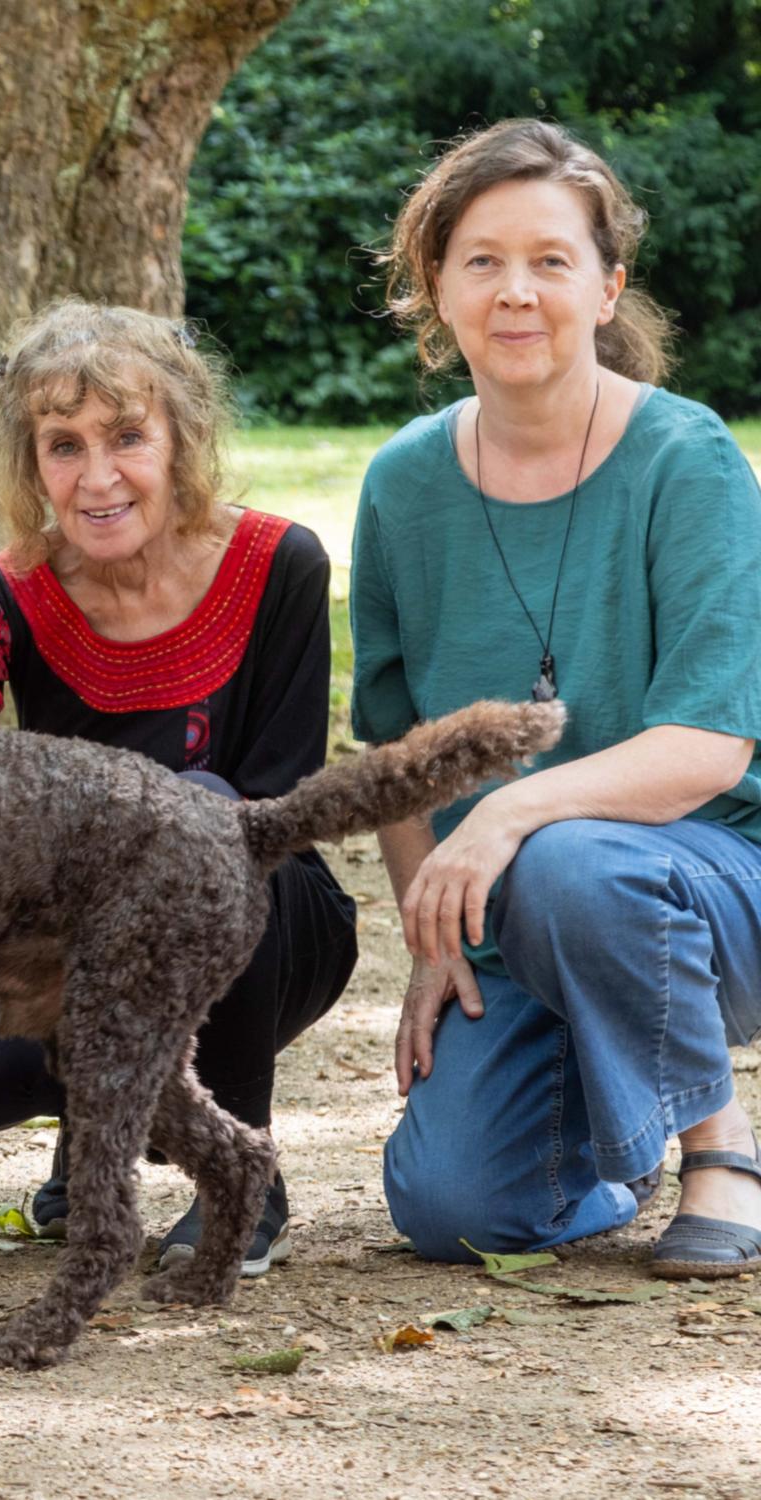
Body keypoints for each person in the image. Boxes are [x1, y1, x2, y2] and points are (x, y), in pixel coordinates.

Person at [356, 119, 761, 1276]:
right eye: (479, 260)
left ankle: (715, 1143)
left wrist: (504, 812)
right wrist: (428, 947)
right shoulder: (399, 484)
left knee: (569, 857)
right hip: (517, 907)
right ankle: (612, 1120)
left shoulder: (687, 460)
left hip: (710, 881)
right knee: (452, 1209)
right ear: (434, 287)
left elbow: (705, 748)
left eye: (549, 260)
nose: (514, 291)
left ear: (605, 286)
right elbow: (398, 752)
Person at [0, 300, 358, 1276]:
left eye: (126, 437)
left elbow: (271, 802)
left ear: (180, 440)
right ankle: (93, 1138)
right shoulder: (1, 591)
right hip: (76, 923)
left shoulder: (279, 564)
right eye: (62, 445)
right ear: (32, 467)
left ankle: (238, 1176)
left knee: (195, 822)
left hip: (267, 910)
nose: (96, 476)